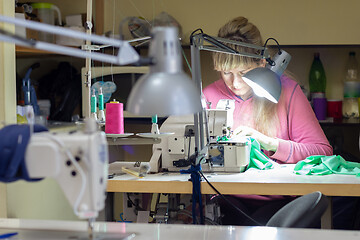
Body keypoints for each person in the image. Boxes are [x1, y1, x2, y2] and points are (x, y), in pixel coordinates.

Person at [202, 16, 337, 227]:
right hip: (227, 198)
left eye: (244, 73)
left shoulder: (287, 91)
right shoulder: (210, 94)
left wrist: (270, 143)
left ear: (262, 63)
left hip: (281, 200)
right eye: (226, 72)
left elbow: (322, 151)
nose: (235, 83)